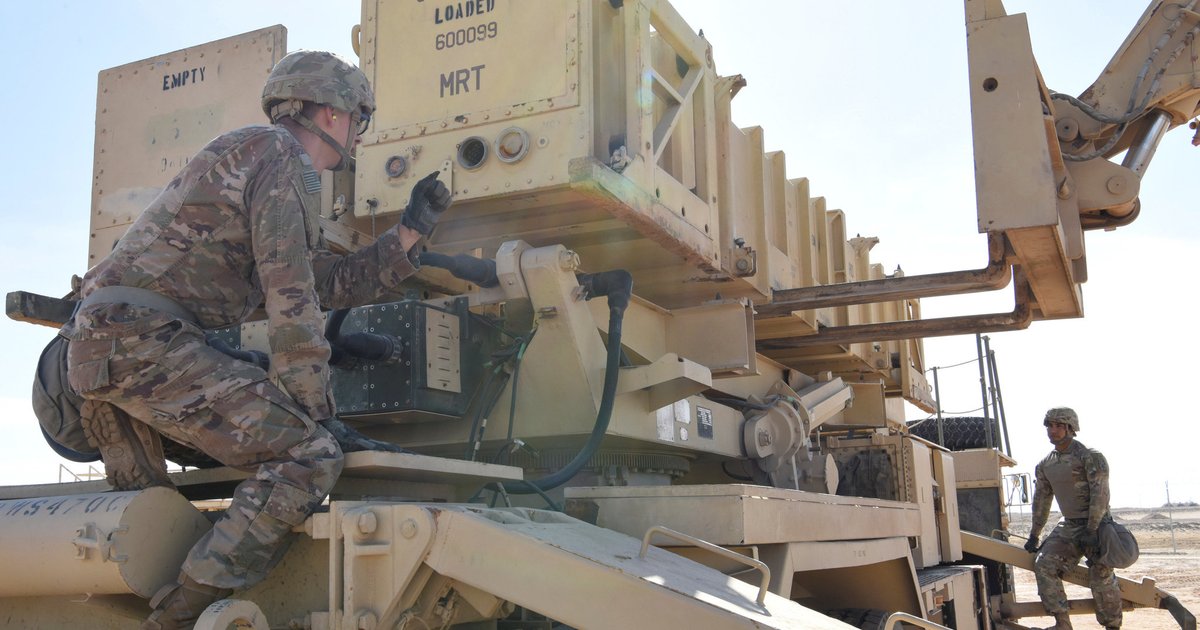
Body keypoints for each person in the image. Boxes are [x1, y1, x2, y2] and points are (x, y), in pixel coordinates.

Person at [58, 50, 451, 629]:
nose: (361, 137)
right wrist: (318, 418)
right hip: (143, 341)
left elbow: (322, 279)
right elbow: (292, 302)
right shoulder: (280, 157)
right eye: (360, 120)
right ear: (334, 113)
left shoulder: (256, 154)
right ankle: (179, 613)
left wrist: (410, 233)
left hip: (119, 341)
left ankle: (130, 423)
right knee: (306, 456)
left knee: (262, 422)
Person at [1023, 407, 1121, 630]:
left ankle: (1112, 626)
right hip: (1070, 525)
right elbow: (1041, 502)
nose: (1052, 430)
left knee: (1101, 573)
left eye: (1058, 426)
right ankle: (1062, 623)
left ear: (1070, 428)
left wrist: (1093, 529)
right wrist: (1034, 535)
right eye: (1049, 425)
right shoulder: (1046, 464)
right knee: (1044, 565)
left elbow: (1101, 495)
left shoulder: (1091, 457)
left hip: (1098, 523)